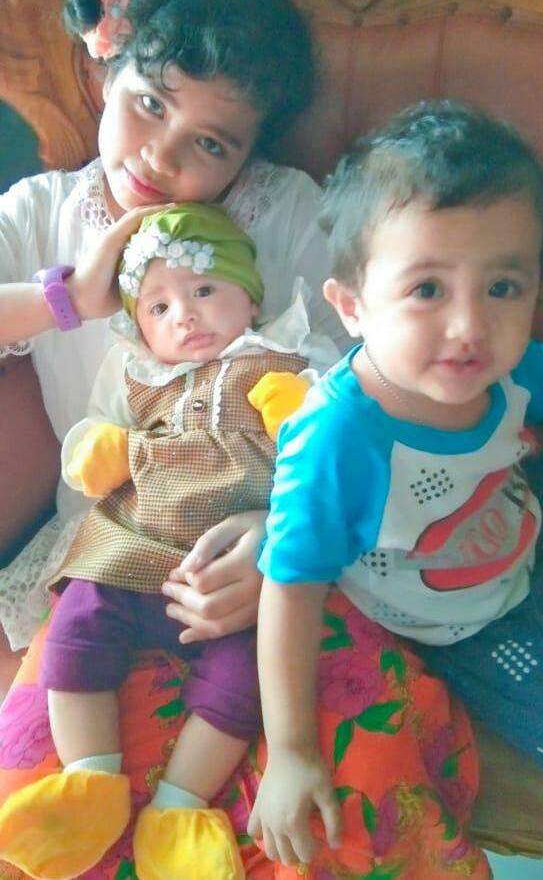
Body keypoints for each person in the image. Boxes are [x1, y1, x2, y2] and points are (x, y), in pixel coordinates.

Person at [0, 0, 490, 880]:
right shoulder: (41, 213)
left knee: (328, 819)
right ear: (105, 71)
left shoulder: (289, 216)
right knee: (56, 820)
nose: (162, 156)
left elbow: (360, 400)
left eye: (211, 142)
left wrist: (275, 533)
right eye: (149, 104)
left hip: (286, 547)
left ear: (250, 152)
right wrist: (67, 299)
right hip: (111, 550)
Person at [249, 101, 543, 864]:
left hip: (526, 519)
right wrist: (291, 750)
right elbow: (289, 590)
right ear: (351, 306)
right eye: (427, 290)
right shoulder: (337, 438)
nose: (469, 326)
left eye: (503, 287)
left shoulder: (515, 367)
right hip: (457, 622)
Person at [0, 202, 318, 880]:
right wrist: (101, 448)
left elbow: (323, 454)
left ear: (251, 297)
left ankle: (179, 806)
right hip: (132, 546)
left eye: (204, 289)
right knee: (75, 627)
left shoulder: (281, 364)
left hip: (226, 572)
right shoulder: (136, 374)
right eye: (159, 307)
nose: (185, 316)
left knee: (246, 678)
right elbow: (95, 436)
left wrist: (299, 416)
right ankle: (90, 779)